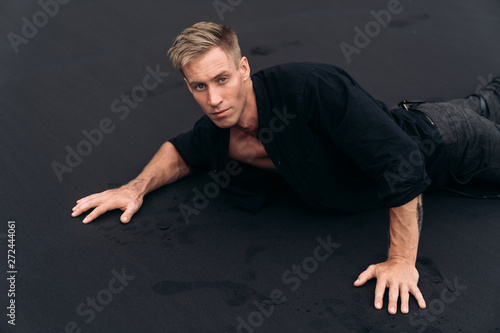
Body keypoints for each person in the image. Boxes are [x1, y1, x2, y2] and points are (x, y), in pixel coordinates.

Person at [71, 21, 500, 315]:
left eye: (221, 79)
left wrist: (402, 260)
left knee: (471, 120)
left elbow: (401, 162)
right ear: (188, 86)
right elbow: (182, 151)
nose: (214, 98)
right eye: (199, 86)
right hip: (416, 116)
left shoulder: (311, 88)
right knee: (487, 101)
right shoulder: (220, 131)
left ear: (243, 68)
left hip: (449, 144)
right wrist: (135, 188)